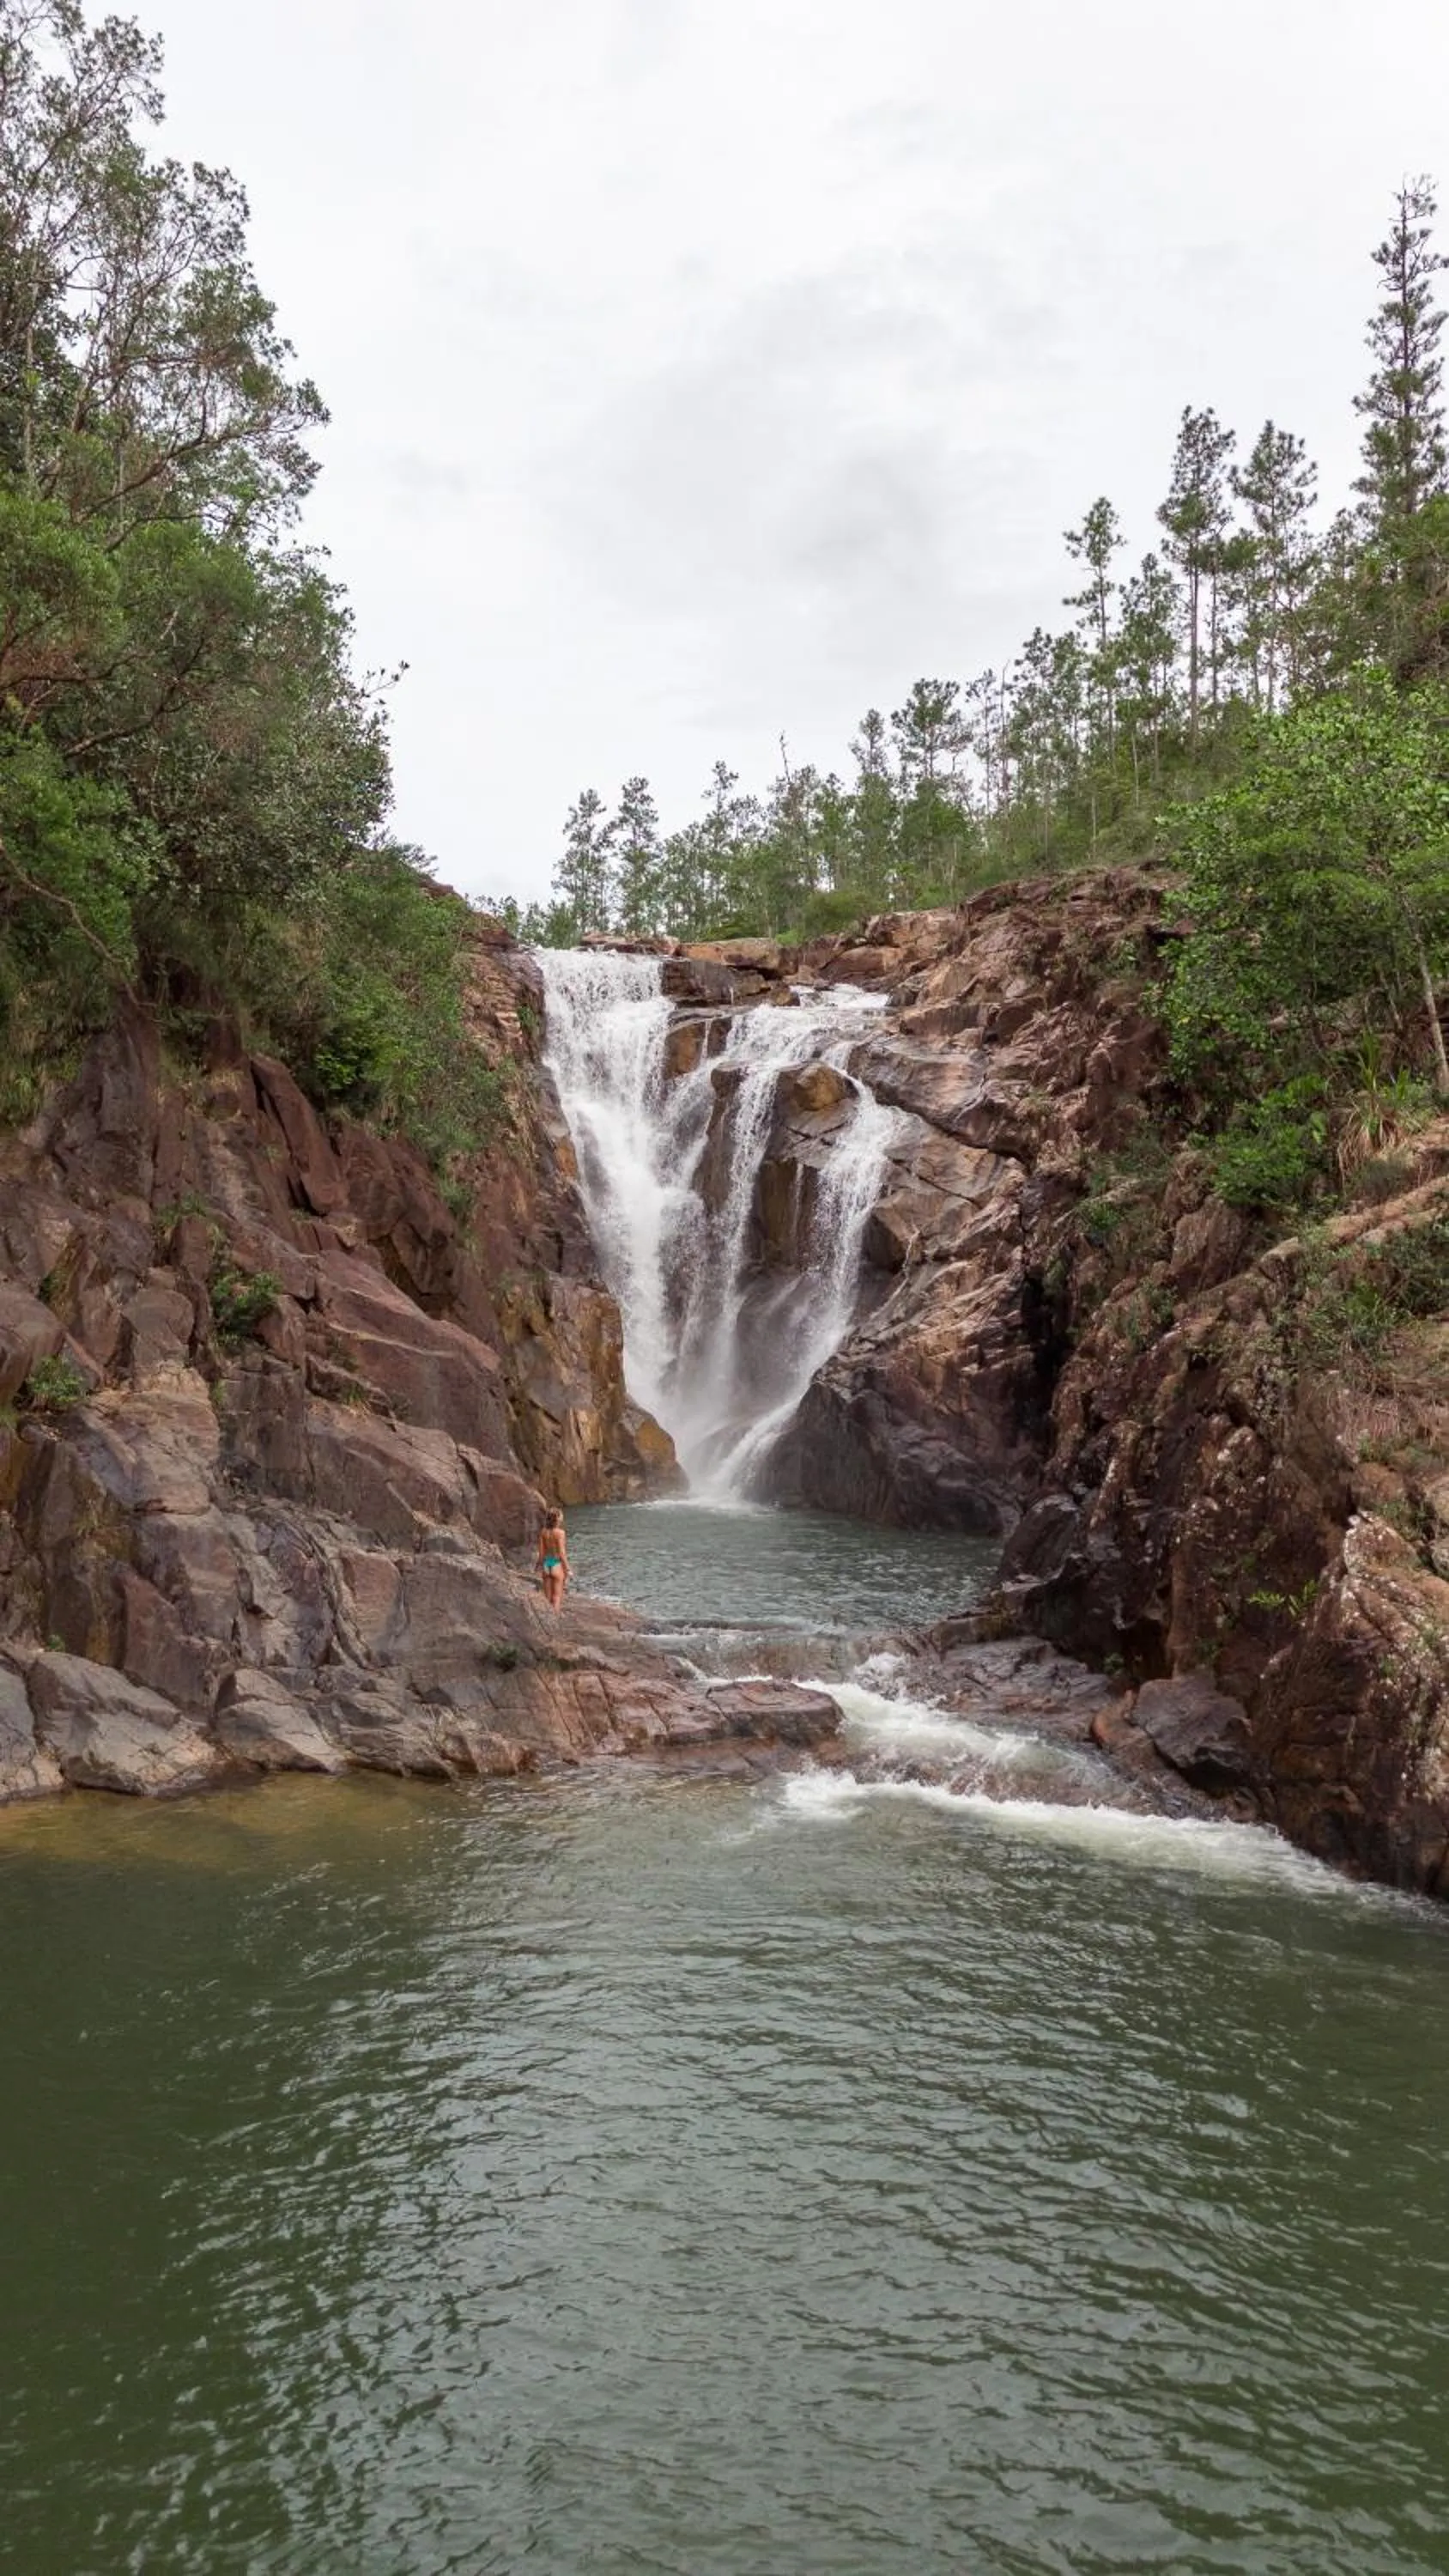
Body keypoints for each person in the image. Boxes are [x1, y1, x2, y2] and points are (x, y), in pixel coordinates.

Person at [535, 1505, 569, 1610]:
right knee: (556, 1598)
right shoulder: (560, 1533)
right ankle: (555, 1623)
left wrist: (537, 1566)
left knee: (548, 1599)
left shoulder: (543, 1532)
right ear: (557, 1518)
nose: (562, 1518)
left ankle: (548, 1621)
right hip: (556, 1565)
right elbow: (562, 1553)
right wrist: (567, 1569)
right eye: (561, 1516)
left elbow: (541, 1553)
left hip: (546, 1564)